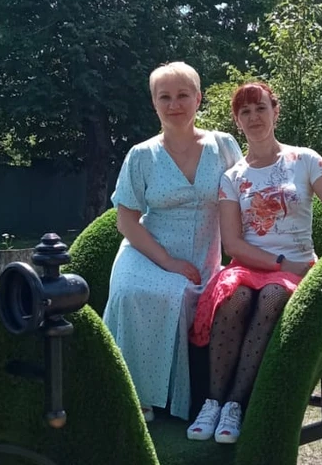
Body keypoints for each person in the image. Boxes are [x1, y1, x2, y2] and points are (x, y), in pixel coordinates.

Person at [188, 80, 322, 444]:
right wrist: (278, 260)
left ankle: (236, 407)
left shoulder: (304, 160)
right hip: (252, 264)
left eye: (260, 108)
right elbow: (234, 244)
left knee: (272, 296)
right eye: (245, 112)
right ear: (237, 121)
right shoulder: (232, 178)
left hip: (295, 269)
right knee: (234, 297)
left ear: (275, 110)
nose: (254, 117)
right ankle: (212, 403)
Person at [103, 62, 241, 423]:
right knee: (140, 293)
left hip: (204, 260)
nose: (174, 104)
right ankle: (135, 394)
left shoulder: (223, 146)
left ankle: (185, 399)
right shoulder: (141, 155)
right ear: (154, 103)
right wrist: (168, 262)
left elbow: (248, 194)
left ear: (198, 99)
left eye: (183, 95)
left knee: (186, 294)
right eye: (165, 97)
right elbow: (126, 221)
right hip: (146, 254)